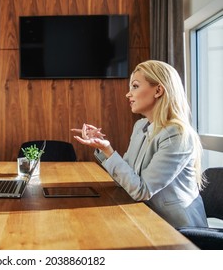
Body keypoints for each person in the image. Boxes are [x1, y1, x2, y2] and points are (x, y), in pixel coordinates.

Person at [71, 60, 208, 228]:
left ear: (158, 90)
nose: (128, 94)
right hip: (144, 215)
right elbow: (127, 179)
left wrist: (108, 150)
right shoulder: (140, 126)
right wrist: (103, 148)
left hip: (176, 229)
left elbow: (142, 191)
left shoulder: (178, 135)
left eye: (135, 86)